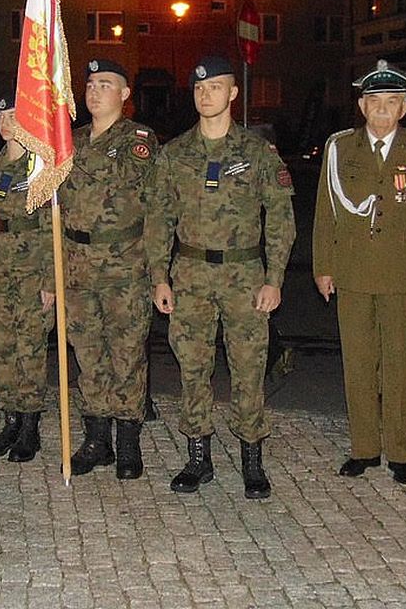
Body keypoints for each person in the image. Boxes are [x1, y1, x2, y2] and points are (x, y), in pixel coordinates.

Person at [145, 55, 295, 499]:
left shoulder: (256, 152)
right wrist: (159, 276)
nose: (205, 94)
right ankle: (198, 458)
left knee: (248, 369)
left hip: (245, 274)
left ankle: (252, 459)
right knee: (192, 368)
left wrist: (275, 278)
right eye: (198, 88)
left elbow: (281, 217)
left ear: (233, 93)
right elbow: (159, 219)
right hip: (189, 273)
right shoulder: (173, 155)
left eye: (215, 88)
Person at [313, 59, 406, 485]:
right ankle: (364, 447)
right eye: (375, 102)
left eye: (392, 103)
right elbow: (325, 213)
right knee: (359, 362)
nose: (383, 111)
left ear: (405, 108)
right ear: (361, 106)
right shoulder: (340, 148)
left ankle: (401, 451)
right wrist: (323, 267)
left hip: (404, 271)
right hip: (352, 270)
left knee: (401, 364)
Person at [60, 58, 158, 479]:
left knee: (127, 355)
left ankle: (129, 443)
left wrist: (61, 154)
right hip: (78, 264)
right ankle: (96, 439)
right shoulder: (71, 140)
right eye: (90, 83)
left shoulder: (139, 139)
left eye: (105, 84)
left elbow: (121, 177)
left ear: (124, 94)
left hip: (124, 266)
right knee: (88, 355)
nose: (94, 91)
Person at [0, 94, 55, 462]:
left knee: (30, 350)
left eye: (13, 115)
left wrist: (51, 280)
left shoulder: (42, 167)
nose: (6, 122)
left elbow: (54, 228)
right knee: (3, 350)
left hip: (31, 274)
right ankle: (10, 420)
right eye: (1, 116)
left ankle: (30, 427)